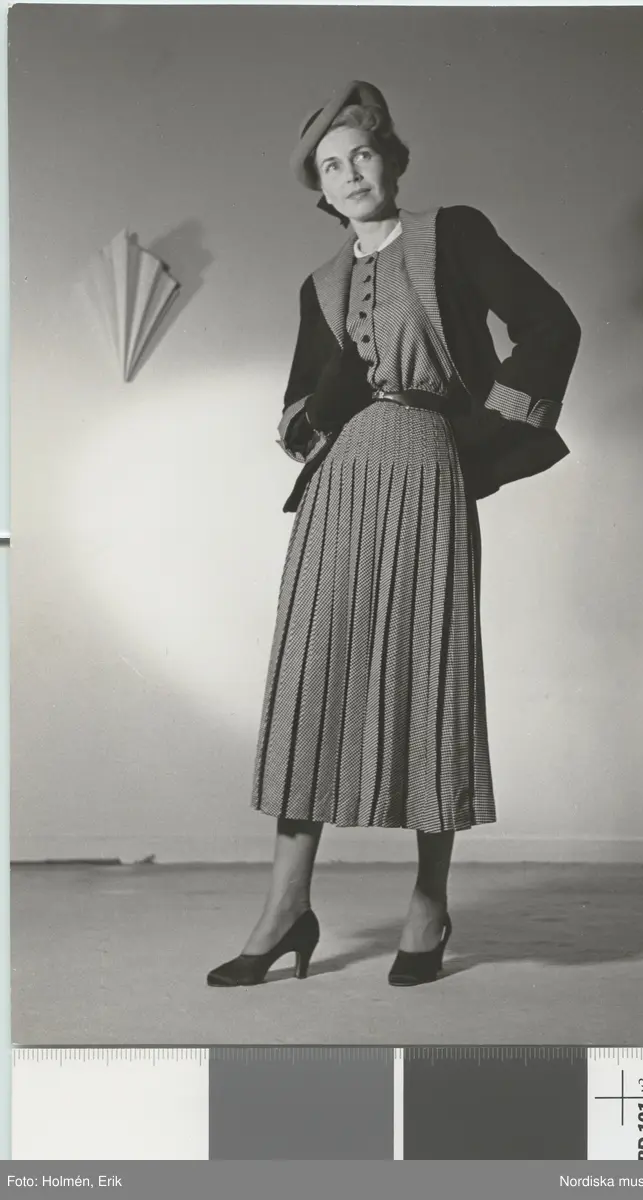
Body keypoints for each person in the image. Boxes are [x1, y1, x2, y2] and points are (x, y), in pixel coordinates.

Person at [207, 80, 581, 989]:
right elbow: (294, 418)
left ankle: (427, 904)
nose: (350, 173)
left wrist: (480, 433)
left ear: (391, 160)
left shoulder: (452, 234)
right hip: (339, 487)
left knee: (427, 670)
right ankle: (285, 908)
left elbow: (549, 325)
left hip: (425, 464)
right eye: (331, 166)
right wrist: (321, 401)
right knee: (312, 677)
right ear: (321, 190)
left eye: (361, 154)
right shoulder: (321, 284)